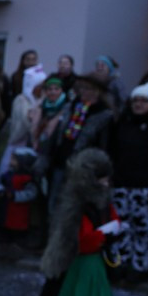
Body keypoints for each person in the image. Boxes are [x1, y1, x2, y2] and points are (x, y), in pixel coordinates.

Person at [34, 148, 141, 296]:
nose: (107, 183)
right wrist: (105, 235)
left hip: (93, 262)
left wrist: (114, 229)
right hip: (76, 263)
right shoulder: (77, 205)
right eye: (102, 179)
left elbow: (112, 218)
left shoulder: (100, 200)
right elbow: (80, 239)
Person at [107, 83, 148, 283]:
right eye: (136, 100)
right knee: (121, 229)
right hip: (121, 185)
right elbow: (113, 151)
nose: (139, 104)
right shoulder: (123, 123)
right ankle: (120, 265)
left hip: (146, 189)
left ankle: (140, 267)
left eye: (144, 101)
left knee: (143, 231)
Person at [37, 71, 113, 215]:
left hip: (83, 169)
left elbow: (105, 146)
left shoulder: (104, 115)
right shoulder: (71, 107)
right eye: (81, 88)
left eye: (86, 88)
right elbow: (57, 134)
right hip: (60, 162)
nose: (82, 92)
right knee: (54, 203)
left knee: (74, 207)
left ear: (96, 91)